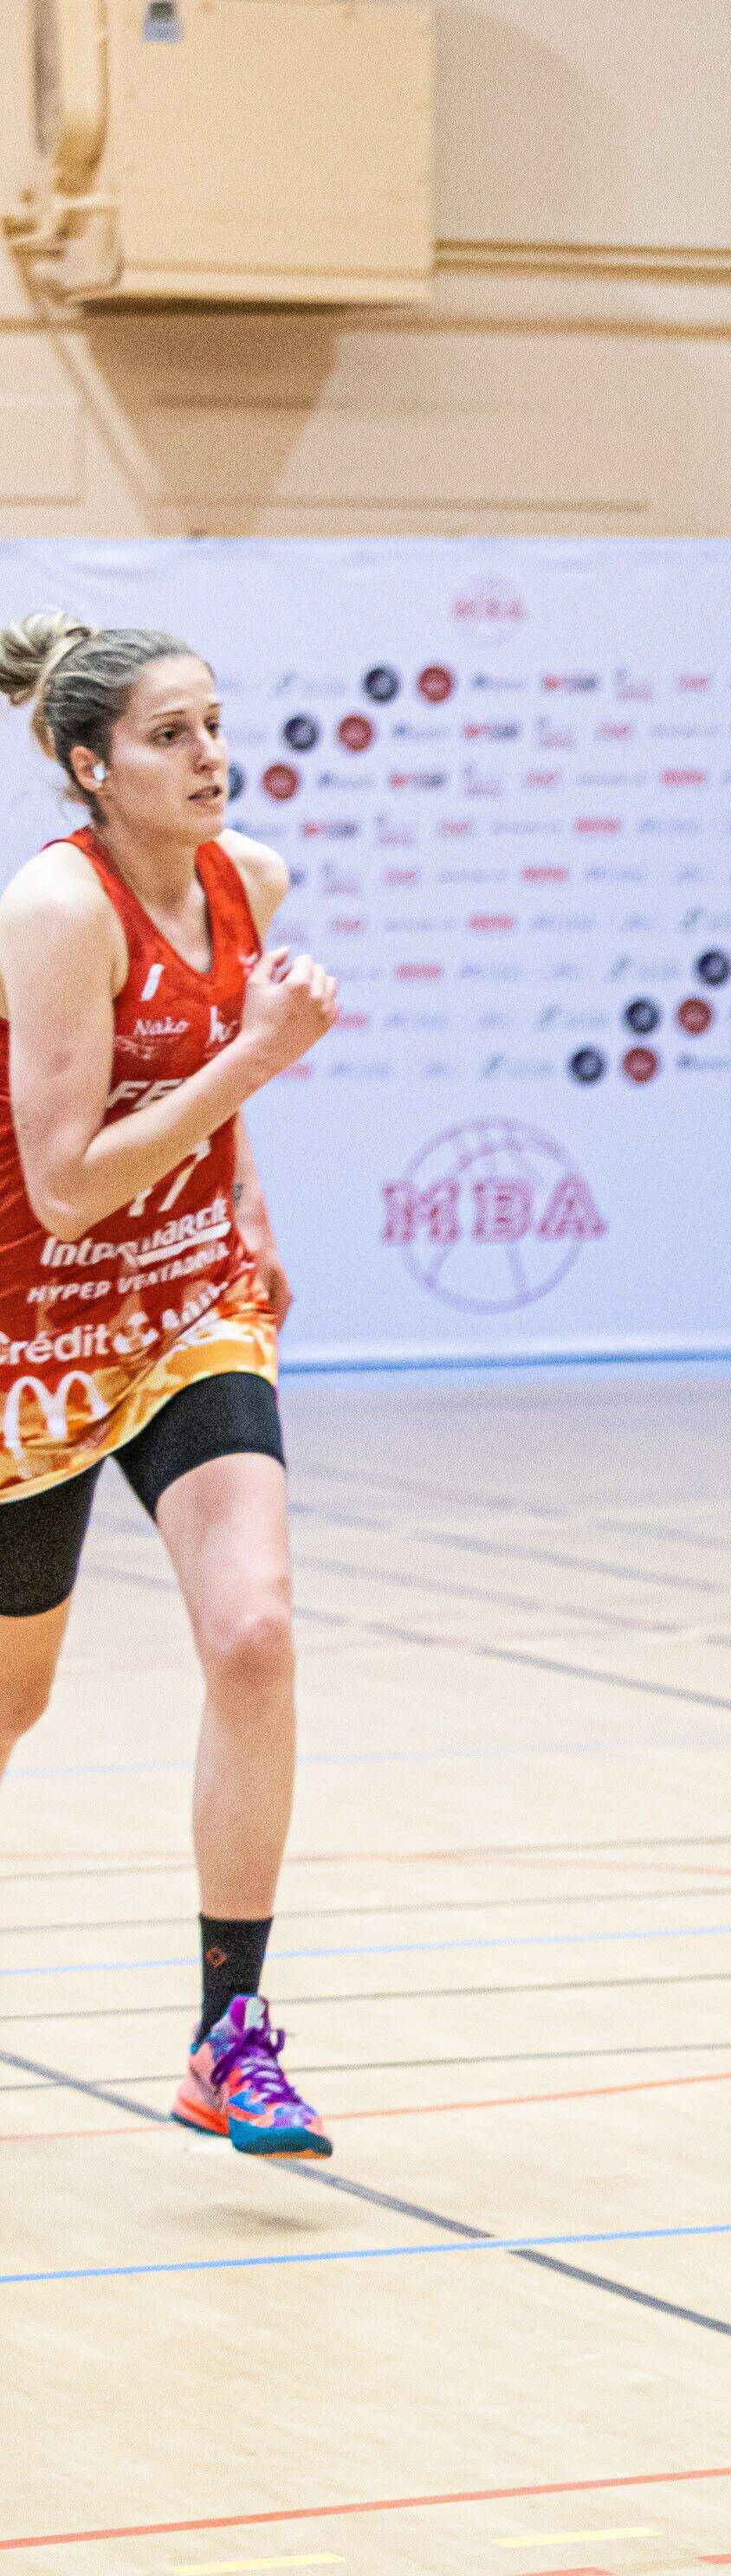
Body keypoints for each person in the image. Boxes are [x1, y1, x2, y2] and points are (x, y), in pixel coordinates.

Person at [0, 611, 338, 2159]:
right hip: (32, 1328)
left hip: (188, 1300)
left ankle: (232, 2035)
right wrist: (254, 1067)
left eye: (214, 724)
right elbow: (63, 1186)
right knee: (16, 1699)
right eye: (169, 736)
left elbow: (211, 1095)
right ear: (90, 765)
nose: (210, 757)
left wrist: (247, 1194)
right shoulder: (55, 910)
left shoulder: (245, 880)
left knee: (255, 1636)